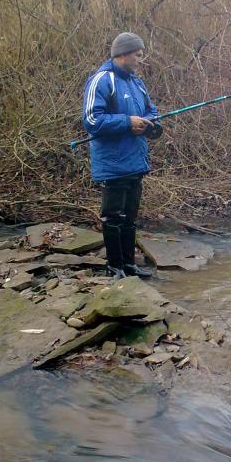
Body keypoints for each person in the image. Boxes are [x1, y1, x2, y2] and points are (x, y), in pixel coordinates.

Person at [82, 32, 162, 279]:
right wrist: (127, 122)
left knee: (130, 217)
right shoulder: (102, 80)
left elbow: (151, 112)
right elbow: (92, 119)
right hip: (113, 163)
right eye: (138, 55)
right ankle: (114, 267)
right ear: (123, 54)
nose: (141, 59)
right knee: (113, 217)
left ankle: (129, 265)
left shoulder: (138, 83)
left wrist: (153, 126)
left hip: (136, 162)